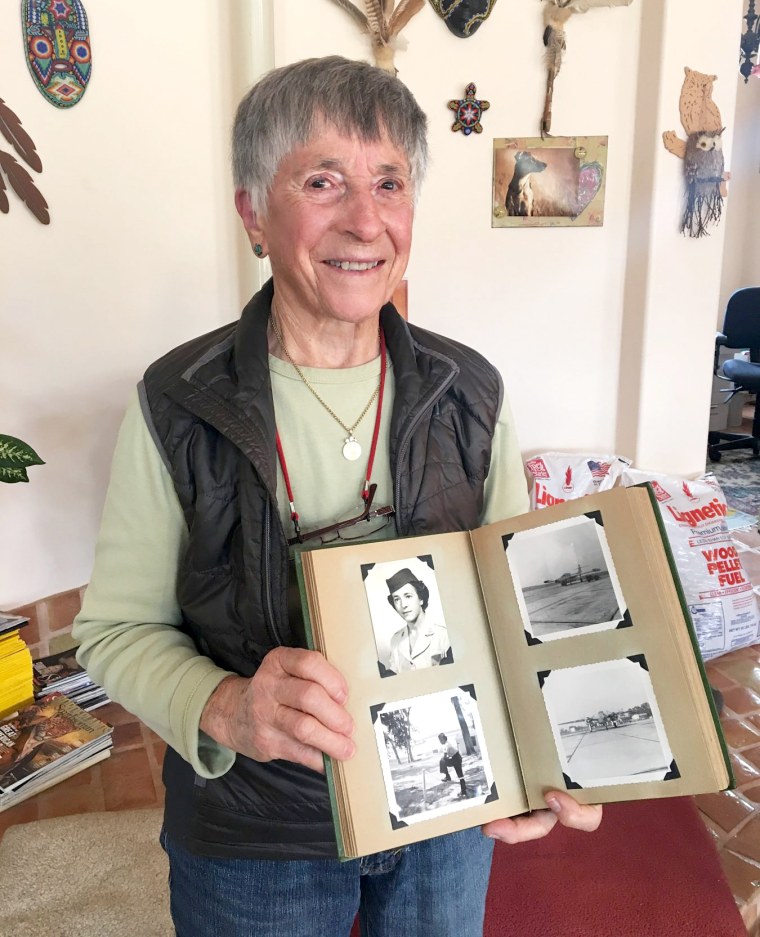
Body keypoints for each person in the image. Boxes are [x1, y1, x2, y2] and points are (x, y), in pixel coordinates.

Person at [72, 55, 602, 937]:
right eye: (323, 180)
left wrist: (547, 755)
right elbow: (113, 631)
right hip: (256, 834)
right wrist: (225, 706)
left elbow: (521, 613)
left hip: (445, 812)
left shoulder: (472, 390)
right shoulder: (177, 401)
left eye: (388, 181)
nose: (365, 219)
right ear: (253, 211)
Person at [385, 566, 450, 672]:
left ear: (421, 599)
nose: (403, 605)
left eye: (408, 596)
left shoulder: (444, 636)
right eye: (397, 599)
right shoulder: (395, 640)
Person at [438, 732, 468, 798]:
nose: (440, 742)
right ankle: (448, 776)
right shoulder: (445, 744)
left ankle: (464, 791)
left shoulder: (447, 745)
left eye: (440, 740)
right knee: (442, 761)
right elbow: (447, 755)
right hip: (454, 759)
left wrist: (445, 759)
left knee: (460, 776)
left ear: (443, 739)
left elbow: (445, 756)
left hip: (456, 759)